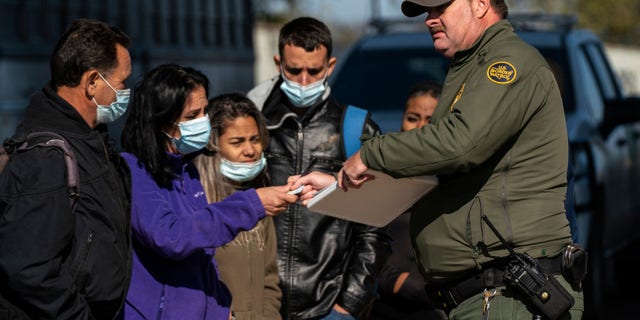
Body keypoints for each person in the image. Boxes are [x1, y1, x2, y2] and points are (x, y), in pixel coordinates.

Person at [336, 1, 583, 319]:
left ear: (480, 4)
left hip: (512, 293)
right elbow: (436, 167)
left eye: (440, 7)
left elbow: (460, 144)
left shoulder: (507, 61)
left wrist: (371, 153)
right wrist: (336, 186)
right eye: (427, 12)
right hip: (487, 295)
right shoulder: (471, 67)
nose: (429, 20)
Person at [119, 64, 297, 319]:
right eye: (192, 116)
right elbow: (173, 237)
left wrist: (221, 308)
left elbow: (204, 257)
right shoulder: (133, 170)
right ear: (162, 121)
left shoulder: (186, 169)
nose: (203, 121)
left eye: (204, 112)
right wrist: (252, 203)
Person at [247, 17, 391, 320]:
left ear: (330, 65)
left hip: (327, 307)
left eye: (313, 71)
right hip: (259, 304)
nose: (303, 81)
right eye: (294, 70)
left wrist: (348, 305)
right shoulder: (251, 126)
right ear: (278, 63)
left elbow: (375, 230)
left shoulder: (356, 129)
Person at [0, 19, 132, 319]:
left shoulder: (90, 138)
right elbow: (29, 267)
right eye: (122, 81)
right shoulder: (46, 156)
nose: (125, 91)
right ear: (92, 82)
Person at [193, 93, 282, 320]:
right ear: (213, 145)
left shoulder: (261, 198)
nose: (250, 150)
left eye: (255, 139)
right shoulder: (198, 202)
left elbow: (270, 280)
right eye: (237, 142)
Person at [367, 81, 444, 320]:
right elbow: (374, 255)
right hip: (386, 307)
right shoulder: (382, 174)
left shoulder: (458, 179)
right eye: (413, 118)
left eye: (430, 120)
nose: (420, 127)